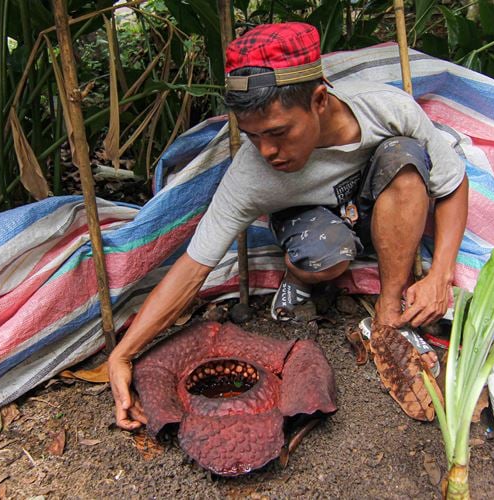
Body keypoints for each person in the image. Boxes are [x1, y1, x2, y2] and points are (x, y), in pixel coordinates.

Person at [108, 22, 468, 430]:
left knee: (404, 159)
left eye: (278, 132)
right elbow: (194, 265)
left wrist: (441, 273)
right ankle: (298, 278)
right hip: (314, 228)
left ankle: (385, 315)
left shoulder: (387, 109)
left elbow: (452, 183)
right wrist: (123, 354)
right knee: (325, 255)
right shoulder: (251, 174)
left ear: (318, 100)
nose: (267, 151)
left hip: (377, 207)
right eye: (252, 136)